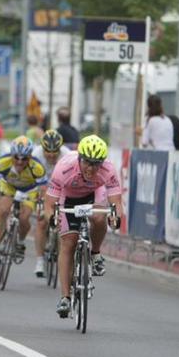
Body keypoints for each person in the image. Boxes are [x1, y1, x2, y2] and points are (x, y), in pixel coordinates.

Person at [44, 135, 123, 318]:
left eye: (96, 164)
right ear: (79, 158)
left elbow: (116, 203)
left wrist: (116, 218)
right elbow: (49, 204)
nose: (91, 168)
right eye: (87, 162)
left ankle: (95, 253)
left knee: (99, 217)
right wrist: (52, 219)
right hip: (68, 198)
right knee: (69, 242)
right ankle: (65, 297)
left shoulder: (108, 170)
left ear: (102, 162)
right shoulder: (64, 168)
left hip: (94, 194)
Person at [0, 136, 47, 266]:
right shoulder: (2, 162)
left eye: (24, 158)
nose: (19, 162)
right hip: (9, 186)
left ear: (30, 157)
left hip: (29, 190)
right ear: (11, 155)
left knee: (24, 218)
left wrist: (41, 204)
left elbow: (43, 188)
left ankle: (20, 241)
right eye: (16, 157)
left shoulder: (37, 167)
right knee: (3, 210)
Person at [32, 129, 70, 277]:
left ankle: (62, 257)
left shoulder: (67, 156)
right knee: (41, 221)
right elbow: (32, 180)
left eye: (55, 152)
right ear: (43, 149)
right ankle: (39, 260)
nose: (52, 155)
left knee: (62, 222)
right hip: (41, 188)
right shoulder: (36, 155)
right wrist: (38, 200)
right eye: (48, 152)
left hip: (60, 189)